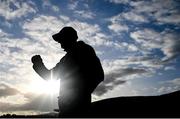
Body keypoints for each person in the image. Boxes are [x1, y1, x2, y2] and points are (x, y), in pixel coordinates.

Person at [31, 26, 104, 117]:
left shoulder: (85, 50)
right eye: (59, 41)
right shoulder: (64, 60)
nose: (60, 44)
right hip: (65, 109)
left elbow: (99, 75)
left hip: (79, 110)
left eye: (61, 40)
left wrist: (80, 94)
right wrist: (38, 64)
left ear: (69, 38)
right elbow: (50, 77)